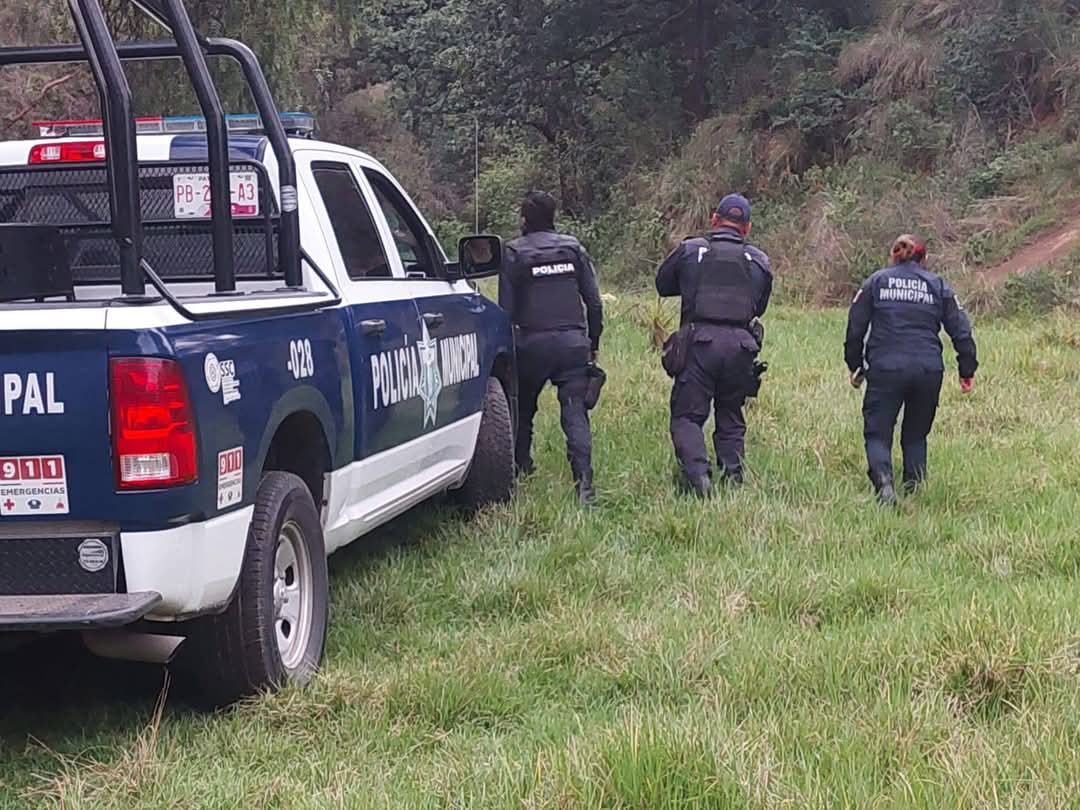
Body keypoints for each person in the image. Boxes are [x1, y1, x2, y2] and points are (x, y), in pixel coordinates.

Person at [844, 234, 978, 505]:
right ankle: (915, 491)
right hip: (928, 370)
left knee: (878, 432)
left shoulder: (876, 282)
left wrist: (855, 365)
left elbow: (855, 328)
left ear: (892, 256)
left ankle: (884, 484)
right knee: (916, 435)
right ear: (925, 259)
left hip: (885, 368)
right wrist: (967, 369)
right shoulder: (938, 285)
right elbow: (961, 330)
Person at [656, 193, 772, 496]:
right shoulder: (759, 261)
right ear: (747, 228)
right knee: (731, 414)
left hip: (700, 344)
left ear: (714, 220)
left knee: (687, 416)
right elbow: (759, 307)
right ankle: (733, 478)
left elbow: (662, 284)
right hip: (741, 348)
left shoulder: (691, 250)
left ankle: (699, 479)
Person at [499, 191, 604, 504]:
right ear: (553, 216)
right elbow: (594, 303)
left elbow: (505, 311)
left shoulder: (513, 253)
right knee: (575, 413)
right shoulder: (573, 249)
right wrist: (593, 344)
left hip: (531, 345)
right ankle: (584, 486)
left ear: (523, 220)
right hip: (573, 345)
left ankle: (520, 468)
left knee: (523, 409)